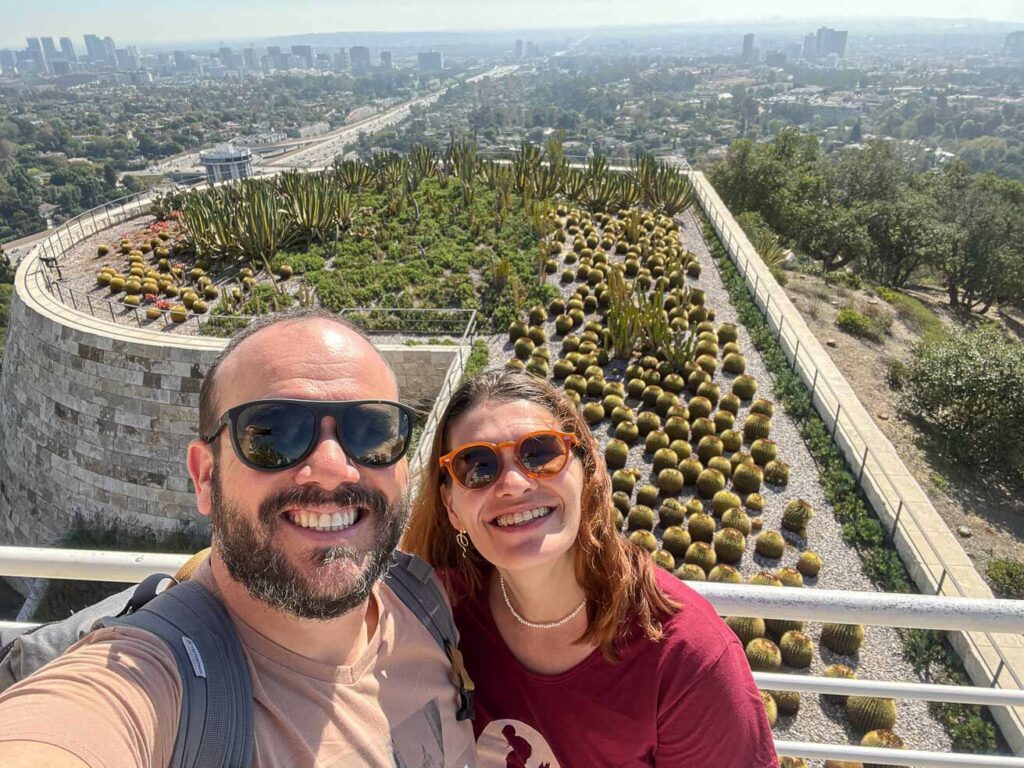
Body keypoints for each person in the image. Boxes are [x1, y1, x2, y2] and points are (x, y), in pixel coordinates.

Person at [0, 310, 477, 768]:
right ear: (206, 477)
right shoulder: (151, 679)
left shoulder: (427, 603)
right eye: (275, 434)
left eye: (373, 432)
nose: (334, 468)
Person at [404, 370, 778, 768]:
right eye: (476, 466)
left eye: (540, 453)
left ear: (591, 470)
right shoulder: (437, 618)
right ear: (451, 507)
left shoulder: (686, 657)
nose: (513, 483)